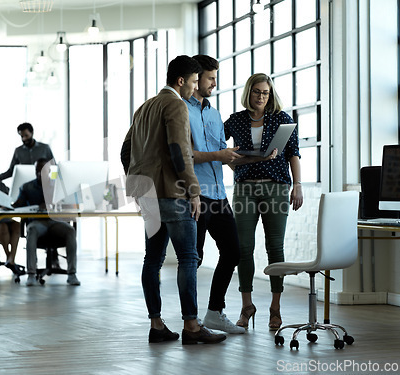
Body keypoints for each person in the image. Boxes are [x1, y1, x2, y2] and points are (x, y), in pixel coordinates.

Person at [120, 55, 226, 345]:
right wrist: (193, 191)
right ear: (181, 81)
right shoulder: (176, 104)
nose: (194, 88)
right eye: (193, 82)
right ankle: (192, 326)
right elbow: (180, 152)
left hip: (148, 195)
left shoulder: (144, 108)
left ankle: (157, 325)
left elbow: (125, 151)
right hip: (172, 193)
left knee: (152, 259)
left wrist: (137, 184)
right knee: (188, 258)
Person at [224, 73, 303, 331]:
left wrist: (297, 186)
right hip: (245, 189)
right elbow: (219, 150)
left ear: (271, 95)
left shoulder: (282, 119)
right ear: (249, 92)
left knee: (275, 248)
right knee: (243, 248)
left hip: (277, 188)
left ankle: (275, 307)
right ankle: (247, 306)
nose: (261, 97)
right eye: (257, 92)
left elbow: (293, 154)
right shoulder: (235, 120)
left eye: (265, 93)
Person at [182, 54, 245, 334]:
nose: (214, 83)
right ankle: (191, 321)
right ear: (196, 79)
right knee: (194, 258)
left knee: (233, 251)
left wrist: (259, 159)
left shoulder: (215, 113)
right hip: (195, 194)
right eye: (210, 77)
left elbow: (224, 156)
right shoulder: (181, 110)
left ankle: (214, 313)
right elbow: (183, 155)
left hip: (219, 195)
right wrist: (218, 154)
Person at [13, 158, 80, 286]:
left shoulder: (58, 186)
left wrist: (52, 205)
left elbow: (69, 205)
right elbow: (17, 206)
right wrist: (6, 205)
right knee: (31, 230)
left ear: (49, 170)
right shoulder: (27, 187)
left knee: (70, 230)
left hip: (56, 222)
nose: (40, 172)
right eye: (37, 169)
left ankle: (72, 274)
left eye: (43, 169)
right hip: (37, 224)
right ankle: (31, 274)